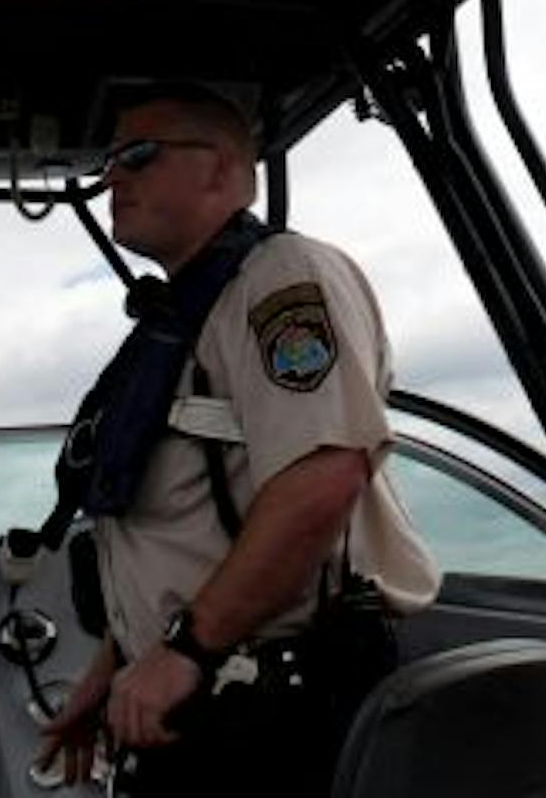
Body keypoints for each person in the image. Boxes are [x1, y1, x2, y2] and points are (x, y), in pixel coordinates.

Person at [35, 86, 440, 796]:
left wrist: (187, 649)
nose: (111, 177)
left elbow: (323, 474)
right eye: (110, 161)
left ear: (219, 169)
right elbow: (178, 537)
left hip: (274, 709)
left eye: (136, 155)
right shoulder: (183, 316)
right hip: (199, 693)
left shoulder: (282, 280)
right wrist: (114, 671)